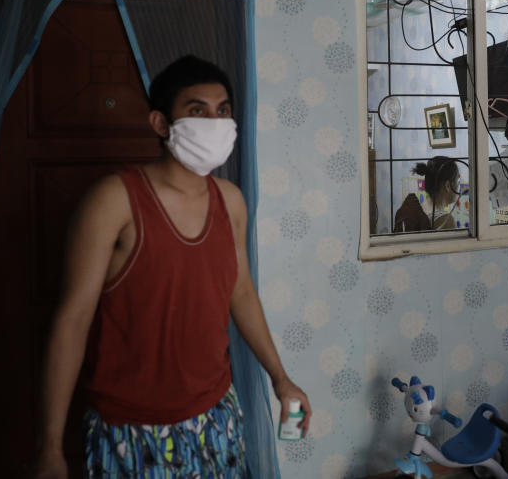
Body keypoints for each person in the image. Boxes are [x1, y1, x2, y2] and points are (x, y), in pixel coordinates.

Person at [34, 55, 310, 478]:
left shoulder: (230, 201)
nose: (214, 123)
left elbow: (241, 293)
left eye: (223, 111)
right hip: (130, 429)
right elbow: (72, 321)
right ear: (161, 124)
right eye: (197, 110)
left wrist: (281, 379)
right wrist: (49, 448)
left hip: (217, 414)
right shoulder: (113, 201)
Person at [393, 156, 461, 232]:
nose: (459, 185)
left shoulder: (419, 209)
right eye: (458, 180)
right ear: (447, 186)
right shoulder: (446, 221)